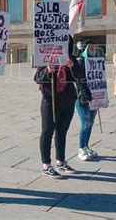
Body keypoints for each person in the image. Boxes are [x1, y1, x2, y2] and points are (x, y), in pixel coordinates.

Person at [34, 36, 79, 178]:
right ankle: (46, 165)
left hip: (68, 100)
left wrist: (72, 66)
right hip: (50, 100)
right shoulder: (46, 57)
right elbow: (37, 78)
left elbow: (80, 77)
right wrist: (48, 70)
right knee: (47, 132)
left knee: (62, 131)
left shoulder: (71, 58)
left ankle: (61, 161)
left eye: (67, 43)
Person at [75, 39, 101, 161]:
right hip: (82, 98)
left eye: (95, 47)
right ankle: (81, 149)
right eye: (90, 47)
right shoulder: (80, 62)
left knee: (90, 123)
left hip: (95, 97)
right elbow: (79, 81)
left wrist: (102, 95)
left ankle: (86, 146)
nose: (93, 49)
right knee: (85, 123)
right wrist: (86, 96)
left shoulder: (96, 61)